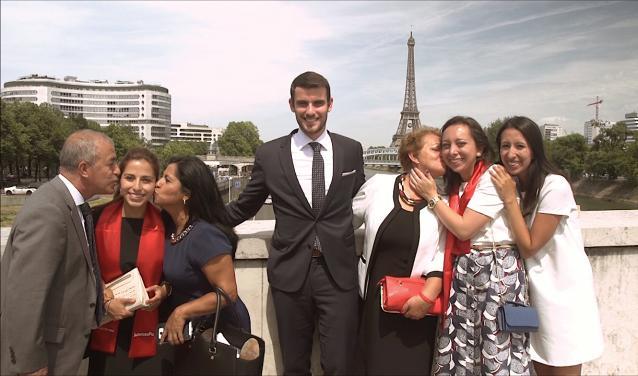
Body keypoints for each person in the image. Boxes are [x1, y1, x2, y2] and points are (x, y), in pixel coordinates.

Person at [225, 71, 365, 374]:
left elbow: (362, 200)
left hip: (338, 275)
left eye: (318, 103)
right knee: (295, 366)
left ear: (330, 104)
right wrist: (198, 222)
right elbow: (245, 206)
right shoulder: (270, 154)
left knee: (340, 366)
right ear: (292, 105)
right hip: (290, 274)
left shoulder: (351, 150)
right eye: (303, 103)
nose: (310, 111)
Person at [409, 116, 531, 375]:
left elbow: (463, 228)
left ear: (480, 149)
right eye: (445, 145)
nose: (452, 151)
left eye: (461, 143)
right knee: (464, 353)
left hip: (495, 276)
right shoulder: (456, 186)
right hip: (465, 276)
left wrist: (431, 196)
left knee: (497, 351)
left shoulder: (493, 177)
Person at [489, 116, 604, 376]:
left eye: (520, 146)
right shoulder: (520, 187)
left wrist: (509, 199)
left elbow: (530, 246)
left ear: (535, 149)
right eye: (505, 146)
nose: (511, 153)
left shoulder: (554, 185)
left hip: (563, 297)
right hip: (534, 298)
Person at [1, 129, 120, 375]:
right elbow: (24, 296)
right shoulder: (49, 211)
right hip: (43, 361)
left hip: (65, 352)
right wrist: (30, 364)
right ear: (85, 168)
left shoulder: (72, 206)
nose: (117, 170)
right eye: (111, 163)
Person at [352, 128, 445, 375]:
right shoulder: (379, 186)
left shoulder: (443, 204)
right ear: (414, 155)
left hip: (415, 309)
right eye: (437, 148)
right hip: (372, 306)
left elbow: (442, 257)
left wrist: (425, 299)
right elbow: (345, 222)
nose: (445, 153)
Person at [88, 147, 171, 375]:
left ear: (155, 183)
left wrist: (164, 290)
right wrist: (105, 300)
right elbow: (83, 271)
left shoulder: (166, 223)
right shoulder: (95, 218)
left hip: (151, 332)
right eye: (130, 178)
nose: (136, 187)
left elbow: (177, 272)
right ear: (120, 179)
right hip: (105, 326)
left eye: (146, 180)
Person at [154, 156, 250, 348]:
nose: (158, 184)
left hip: (218, 332)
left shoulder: (205, 235)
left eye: (167, 179)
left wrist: (182, 312)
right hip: (191, 329)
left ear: (186, 194)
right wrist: (165, 289)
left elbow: (227, 293)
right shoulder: (169, 228)